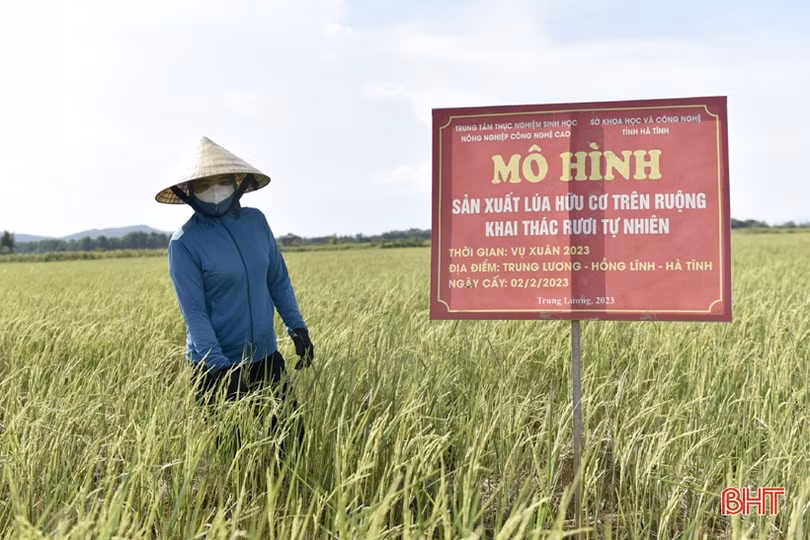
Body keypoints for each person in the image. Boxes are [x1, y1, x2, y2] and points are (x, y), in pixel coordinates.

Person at [155, 136, 313, 452]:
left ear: (237, 184)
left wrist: (297, 327)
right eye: (204, 184)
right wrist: (221, 369)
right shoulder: (184, 243)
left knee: (291, 440)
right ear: (188, 192)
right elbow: (195, 313)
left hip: (265, 357)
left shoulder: (256, 223)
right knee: (234, 453)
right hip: (215, 365)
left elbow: (277, 280)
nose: (214, 189)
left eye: (223, 180)